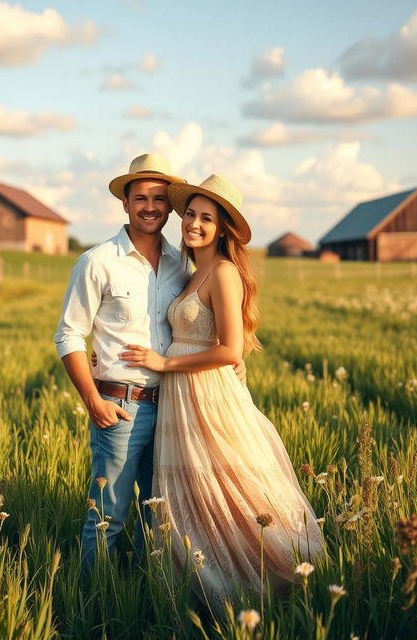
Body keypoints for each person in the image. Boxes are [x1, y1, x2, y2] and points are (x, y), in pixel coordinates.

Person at [120, 175, 324, 608]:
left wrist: (165, 363)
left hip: (205, 393)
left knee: (226, 482)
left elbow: (230, 349)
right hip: (182, 397)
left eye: (206, 218)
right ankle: (201, 582)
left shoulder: (224, 272)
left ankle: (259, 579)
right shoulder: (194, 271)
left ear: (222, 228)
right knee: (193, 489)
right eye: (190, 214)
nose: (194, 223)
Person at [53, 153, 190, 567]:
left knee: (163, 517)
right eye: (141, 198)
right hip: (121, 406)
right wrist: (93, 401)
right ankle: (95, 609)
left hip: (173, 405)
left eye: (160, 199)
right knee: (107, 518)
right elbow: (69, 333)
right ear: (125, 204)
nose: (151, 206)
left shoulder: (181, 262)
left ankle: (156, 600)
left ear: (170, 207)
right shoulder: (97, 261)